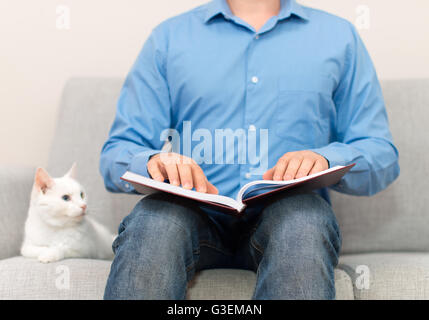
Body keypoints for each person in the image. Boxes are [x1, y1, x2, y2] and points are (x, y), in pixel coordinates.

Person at [100, 0, 399, 299]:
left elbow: (380, 154)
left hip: (291, 219)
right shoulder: (168, 37)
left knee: (303, 220)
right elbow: (117, 153)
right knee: (155, 221)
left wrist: (326, 159)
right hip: (191, 217)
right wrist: (154, 162)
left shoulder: (339, 36)